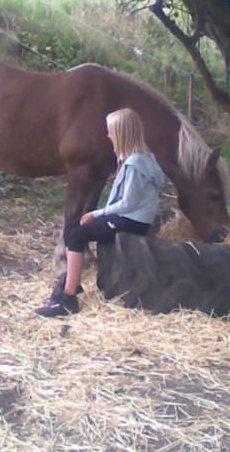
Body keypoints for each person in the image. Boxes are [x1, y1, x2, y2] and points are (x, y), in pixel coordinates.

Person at [35, 107, 166, 318]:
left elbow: (128, 203)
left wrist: (98, 213)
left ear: (122, 133)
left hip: (131, 220)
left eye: (111, 131)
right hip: (130, 217)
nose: (108, 136)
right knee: (71, 228)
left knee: (76, 234)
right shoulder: (143, 158)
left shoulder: (135, 164)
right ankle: (72, 282)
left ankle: (68, 297)